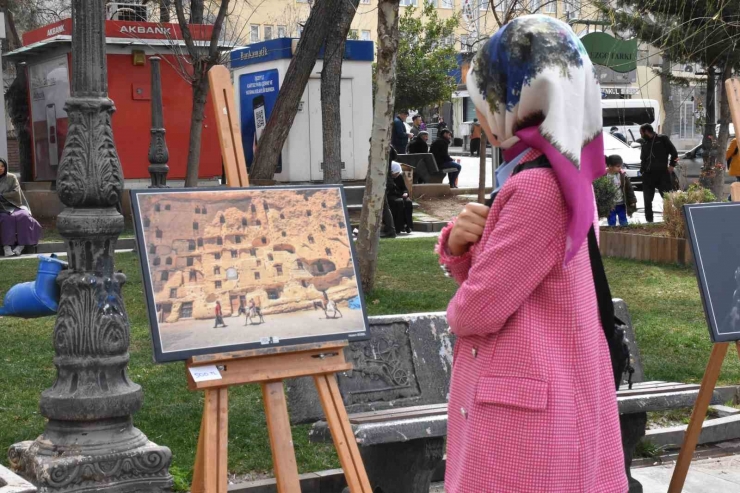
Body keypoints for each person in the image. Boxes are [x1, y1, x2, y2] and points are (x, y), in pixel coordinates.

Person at [437, 16, 627, 493]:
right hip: (548, 401)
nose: (481, 117)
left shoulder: (537, 188)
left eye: (484, 100)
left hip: (525, 427)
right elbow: (519, 282)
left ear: (517, 99)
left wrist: (461, 270)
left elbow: (476, 309)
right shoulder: (565, 175)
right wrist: (460, 248)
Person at [0, 157, 41, 257]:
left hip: (14, 205)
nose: (0, 168)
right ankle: (7, 247)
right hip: (1, 208)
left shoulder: (11, 177)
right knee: (7, 218)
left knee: (24, 216)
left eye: (2, 166)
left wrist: (2, 195)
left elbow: (16, 193)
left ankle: (21, 245)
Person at [639, 123, 678, 223]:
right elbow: (643, 159)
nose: (641, 135)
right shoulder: (644, 143)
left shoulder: (662, 139)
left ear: (646, 132)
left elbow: (674, 153)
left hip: (662, 174)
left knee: (667, 197)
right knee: (647, 199)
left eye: (641, 133)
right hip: (648, 175)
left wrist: (672, 165)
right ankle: (649, 220)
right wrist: (642, 171)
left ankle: (669, 219)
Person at [606, 154, 637, 227]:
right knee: (611, 221)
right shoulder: (605, 176)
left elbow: (629, 189)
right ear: (610, 166)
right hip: (611, 205)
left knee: (623, 220)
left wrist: (632, 200)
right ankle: (612, 234)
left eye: (621, 166)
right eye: (618, 166)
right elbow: (602, 192)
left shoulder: (622, 175)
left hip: (621, 203)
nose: (620, 168)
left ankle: (625, 232)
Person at [387, 161, 413, 234]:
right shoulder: (388, 178)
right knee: (399, 203)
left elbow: (404, 188)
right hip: (390, 196)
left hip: (399, 195)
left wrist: (405, 193)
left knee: (408, 202)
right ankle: (398, 226)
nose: (397, 174)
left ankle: (408, 225)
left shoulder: (399, 177)